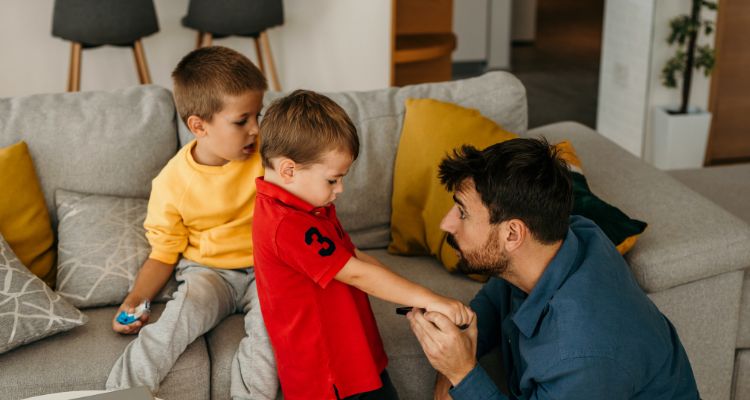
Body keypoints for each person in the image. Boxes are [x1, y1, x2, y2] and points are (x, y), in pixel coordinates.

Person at [407, 138, 700, 399]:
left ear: (512, 234)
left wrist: (462, 373)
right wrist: (453, 348)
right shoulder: (569, 237)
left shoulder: (580, 352)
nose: (446, 223)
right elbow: (491, 305)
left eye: (462, 213)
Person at [252, 89, 474, 400]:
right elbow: (356, 274)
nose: (340, 189)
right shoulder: (285, 224)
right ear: (288, 170)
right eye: (333, 179)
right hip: (329, 375)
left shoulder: (309, 207)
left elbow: (354, 258)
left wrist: (416, 297)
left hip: (356, 357)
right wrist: (431, 297)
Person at [106, 46, 278, 400]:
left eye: (257, 115)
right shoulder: (172, 184)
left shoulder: (269, 153)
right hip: (208, 273)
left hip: (267, 268)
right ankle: (121, 394)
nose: (255, 129)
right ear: (199, 126)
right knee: (171, 326)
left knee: (271, 334)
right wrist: (136, 298)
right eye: (242, 120)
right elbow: (163, 253)